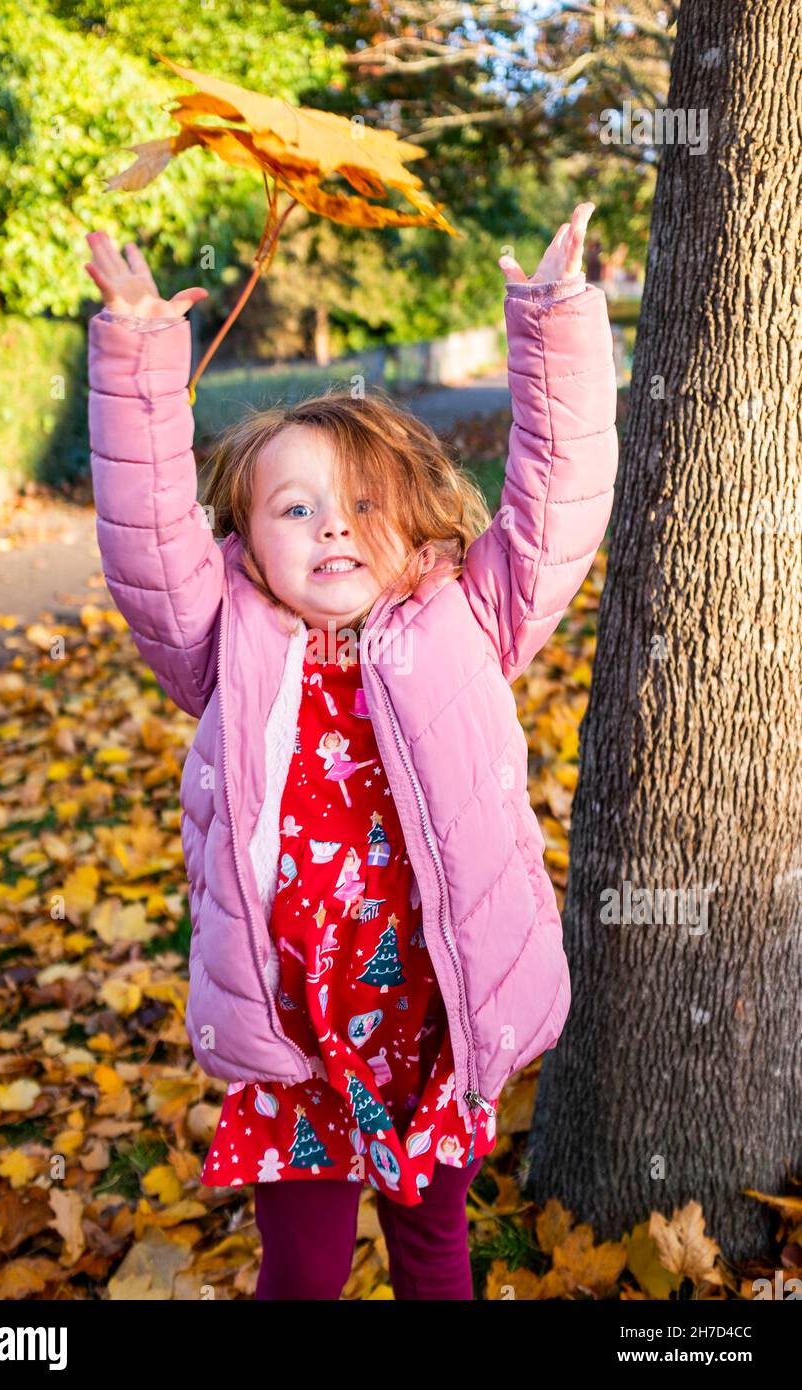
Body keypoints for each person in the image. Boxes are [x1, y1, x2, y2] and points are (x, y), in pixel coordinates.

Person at [83, 201, 618, 1299]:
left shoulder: (469, 619)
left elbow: (554, 504)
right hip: (296, 1044)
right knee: (304, 1268)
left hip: (436, 1026)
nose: (331, 527)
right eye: (295, 507)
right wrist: (138, 352)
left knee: (434, 1251)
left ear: (417, 521)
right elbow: (147, 536)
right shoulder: (223, 641)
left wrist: (557, 324)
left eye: (362, 503)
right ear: (242, 538)